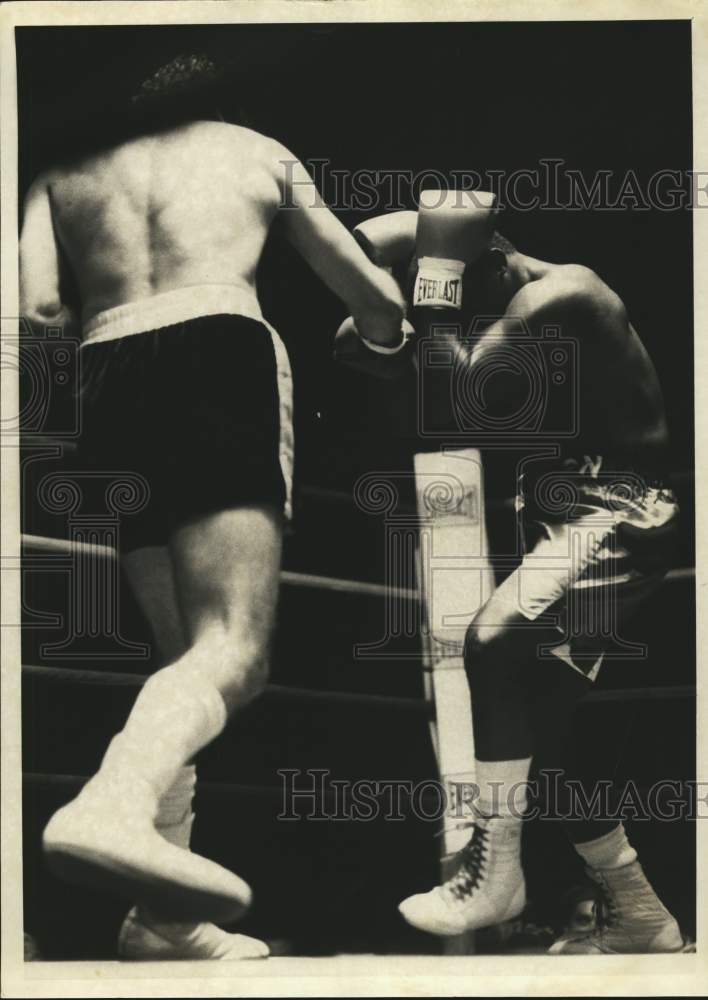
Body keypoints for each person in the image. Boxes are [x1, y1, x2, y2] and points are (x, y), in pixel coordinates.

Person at [19, 54, 405, 961]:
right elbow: (370, 295)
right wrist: (382, 333)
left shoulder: (62, 173)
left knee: (181, 664)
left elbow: (35, 309)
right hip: (217, 356)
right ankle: (112, 803)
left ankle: (162, 920)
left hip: (106, 366)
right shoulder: (254, 148)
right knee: (236, 650)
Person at [348, 195, 684, 954]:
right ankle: (643, 917)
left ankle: (495, 874)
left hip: (620, 511)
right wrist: (389, 318)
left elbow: (444, 401)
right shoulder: (503, 309)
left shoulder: (563, 293)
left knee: (494, 642)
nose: (454, 311)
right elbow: (382, 359)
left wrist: (433, 280)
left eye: (460, 286)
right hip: (569, 521)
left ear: (493, 258)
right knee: (548, 745)